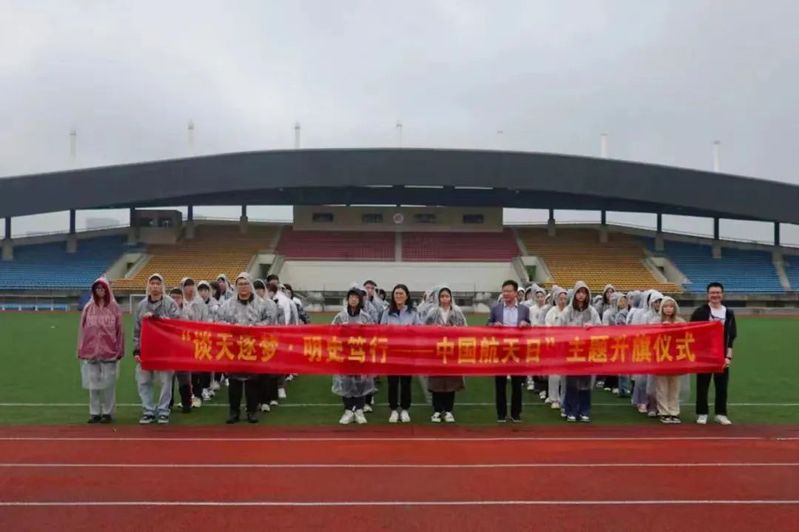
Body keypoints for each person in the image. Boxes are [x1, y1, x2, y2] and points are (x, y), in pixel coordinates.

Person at [217, 272, 279, 424]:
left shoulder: (262, 304)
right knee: (234, 382)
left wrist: (255, 327)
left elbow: (270, 321)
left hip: (253, 347)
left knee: (253, 381)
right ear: (236, 286)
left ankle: (252, 411)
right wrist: (232, 327)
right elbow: (219, 321)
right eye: (240, 284)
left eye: (246, 283)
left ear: (250, 285)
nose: (243, 287)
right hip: (234, 348)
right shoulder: (228, 305)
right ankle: (234, 412)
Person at [133, 273, 179, 424]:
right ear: (148, 286)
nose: (155, 286)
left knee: (166, 381)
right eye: (152, 283)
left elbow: (177, 323)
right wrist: (136, 350)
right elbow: (136, 330)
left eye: (157, 283)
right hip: (146, 349)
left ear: (162, 286)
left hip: (165, 349)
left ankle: (164, 410)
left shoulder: (170, 303)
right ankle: (148, 410)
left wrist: (159, 319)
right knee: (143, 381)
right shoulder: (141, 305)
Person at [77, 278, 124, 424]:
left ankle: (108, 412)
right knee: (93, 385)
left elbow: (120, 330)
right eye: (97, 289)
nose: (100, 291)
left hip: (109, 352)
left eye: (103, 288)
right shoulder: (88, 307)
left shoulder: (114, 308)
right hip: (91, 352)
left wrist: (119, 349)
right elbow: (82, 329)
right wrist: (81, 348)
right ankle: (94, 412)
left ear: (107, 290)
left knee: (108, 385)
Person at [692, 282, 737, 425]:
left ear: (722, 294)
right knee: (702, 385)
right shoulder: (700, 312)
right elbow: (692, 332)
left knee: (722, 386)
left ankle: (721, 413)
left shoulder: (728, 313)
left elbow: (731, 337)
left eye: (718, 292)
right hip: (704, 354)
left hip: (721, 355)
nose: (715, 295)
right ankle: (702, 413)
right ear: (708, 295)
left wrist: (728, 356)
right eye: (712, 293)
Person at [487, 279, 531, 423]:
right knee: (500, 383)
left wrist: (526, 324)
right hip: (501, 349)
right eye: (504, 291)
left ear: (516, 293)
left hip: (518, 349)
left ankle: (515, 413)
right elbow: (487, 325)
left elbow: (530, 327)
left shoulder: (524, 309)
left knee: (517, 384)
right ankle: (501, 413)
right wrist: (494, 325)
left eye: (509, 291)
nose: (505, 294)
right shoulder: (496, 309)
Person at [331, 286, 375, 425]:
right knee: (346, 382)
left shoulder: (366, 317)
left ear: (360, 300)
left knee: (361, 382)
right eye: (351, 297)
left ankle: (359, 410)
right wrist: (341, 329)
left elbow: (374, 335)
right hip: (345, 355)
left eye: (356, 297)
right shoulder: (340, 316)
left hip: (361, 355)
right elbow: (331, 333)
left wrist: (364, 331)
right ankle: (348, 410)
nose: (353, 299)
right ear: (347, 299)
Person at [424, 286, 467, 423]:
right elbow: (424, 329)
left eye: (447, 296)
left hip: (452, 352)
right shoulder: (432, 312)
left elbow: (465, 329)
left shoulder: (457, 312)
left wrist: (455, 330)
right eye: (442, 296)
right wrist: (434, 330)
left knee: (451, 381)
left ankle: (448, 410)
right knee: (436, 381)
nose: (444, 299)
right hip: (436, 352)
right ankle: (437, 410)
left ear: (450, 298)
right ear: (438, 298)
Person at [380, 283, 422, 423]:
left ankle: (405, 409)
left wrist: (410, 332)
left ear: (407, 296)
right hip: (391, 352)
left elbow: (420, 329)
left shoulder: (413, 312)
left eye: (401, 294)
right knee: (392, 382)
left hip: (407, 352)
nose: (398, 296)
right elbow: (381, 330)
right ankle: (393, 409)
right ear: (393, 296)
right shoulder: (387, 312)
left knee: (406, 382)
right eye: (396, 293)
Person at [562, 281, 601, 423]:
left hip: (587, 351)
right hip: (571, 351)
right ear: (574, 294)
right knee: (571, 382)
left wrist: (592, 327)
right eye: (578, 292)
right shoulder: (567, 311)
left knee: (585, 383)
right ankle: (570, 410)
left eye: (584, 292)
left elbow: (600, 328)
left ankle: (584, 410)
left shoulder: (592, 311)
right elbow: (560, 329)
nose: (581, 295)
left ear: (587, 295)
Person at [652, 296, 685, 424]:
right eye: (666, 306)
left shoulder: (680, 321)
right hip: (660, 357)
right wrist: (662, 328)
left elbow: (687, 337)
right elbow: (650, 337)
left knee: (675, 386)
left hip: (676, 358)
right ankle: (664, 412)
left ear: (675, 308)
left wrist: (676, 328)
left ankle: (674, 411)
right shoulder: (655, 321)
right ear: (661, 308)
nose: (668, 309)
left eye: (671, 306)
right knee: (661, 386)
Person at [180, 277, 209, 409]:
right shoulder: (180, 301)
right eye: (187, 285)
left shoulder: (200, 302)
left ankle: (198, 395)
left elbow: (205, 319)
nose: (190, 288)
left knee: (196, 370)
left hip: (197, 339)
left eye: (192, 285)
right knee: (185, 371)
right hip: (183, 340)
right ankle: (187, 397)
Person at [544, 285, 569, 411]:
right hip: (554, 345)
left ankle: (563, 398)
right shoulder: (551, 312)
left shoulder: (569, 311)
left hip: (567, 346)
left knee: (564, 375)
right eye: (560, 299)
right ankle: (553, 398)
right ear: (556, 299)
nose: (562, 301)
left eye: (564, 299)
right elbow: (548, 327)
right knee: (553, 374)